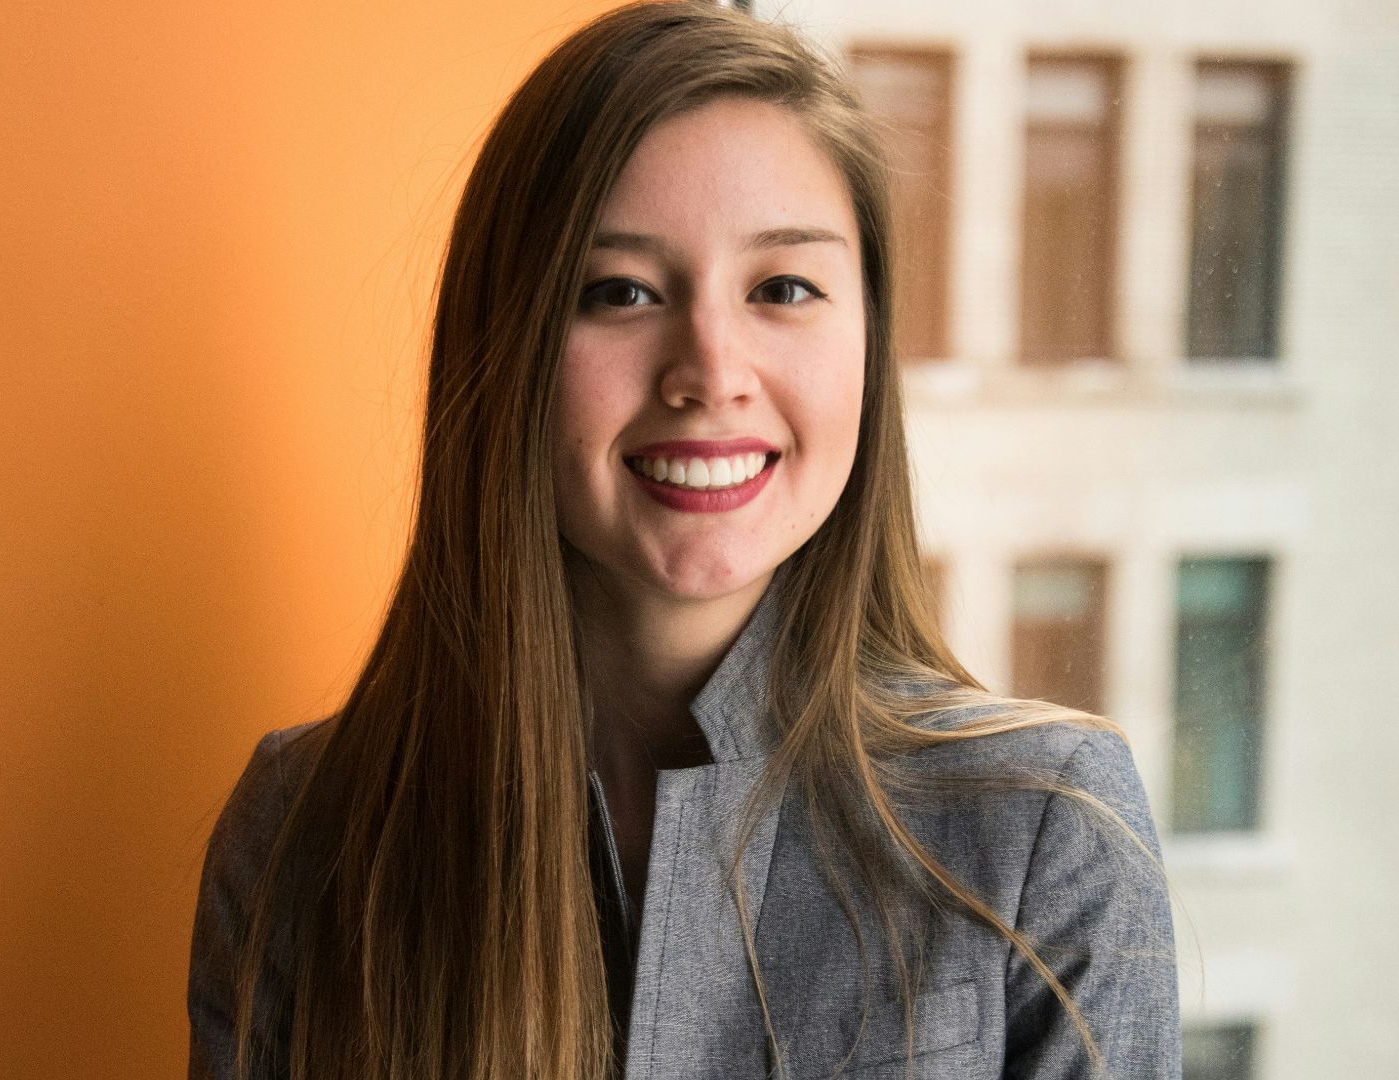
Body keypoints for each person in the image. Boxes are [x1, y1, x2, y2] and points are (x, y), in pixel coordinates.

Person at [186, 2, 1181, 1078]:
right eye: (620, 292)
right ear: (505, 345)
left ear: (867, 343)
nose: (709, 368)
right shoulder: (305, 836)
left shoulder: (1048, 826)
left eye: (783, 289)